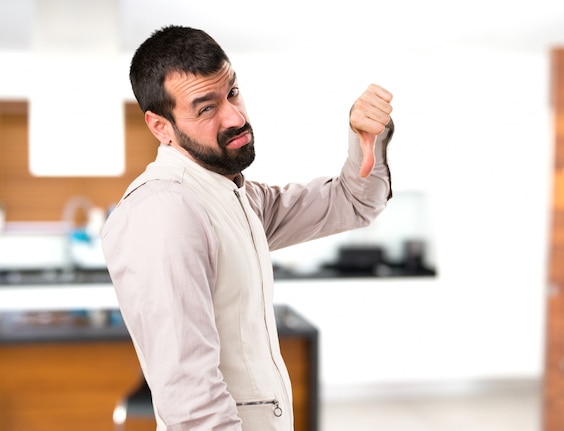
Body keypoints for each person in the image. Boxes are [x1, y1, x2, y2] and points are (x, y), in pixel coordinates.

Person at [101, 24, 394, 431]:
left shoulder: (236, 197)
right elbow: (190, 397)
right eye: (206, 108)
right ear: (160, 127)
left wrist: (368, 138)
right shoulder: (165, 209)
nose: (235, 117)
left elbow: (354, 202)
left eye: (232, 93)